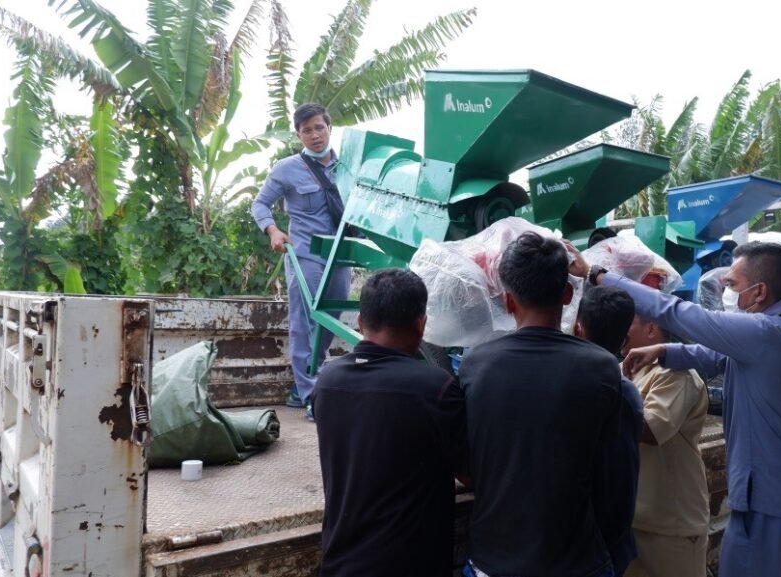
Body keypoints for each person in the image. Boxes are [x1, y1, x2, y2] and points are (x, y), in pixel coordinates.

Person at [573, 241, 781, 577]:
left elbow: (674, 311)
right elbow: (721, 358)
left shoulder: (764, 331)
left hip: (770, 500)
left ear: (760, 291)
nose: (728, 293)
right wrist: (664, 351)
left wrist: (596, 274)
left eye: (733, 286)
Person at [459, 232, 623, 577]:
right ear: (567, 294)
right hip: (578, 559)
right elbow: (613, 473)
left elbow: (468, 466)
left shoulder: (476, 366)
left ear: (507, 301)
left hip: (494, 559)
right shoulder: (602, 367)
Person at [313, 268, 466, 577]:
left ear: (359, 321)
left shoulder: (327, 382)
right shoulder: (435, 388)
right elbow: (471, 473)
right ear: (421, 324)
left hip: (339, 565)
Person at [251, 103, 351, 420]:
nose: (314, 135)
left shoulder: (348, 166)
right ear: (299, 135)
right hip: (305, 251)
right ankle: (312, 395)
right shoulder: (286, 169)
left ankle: (307, 378)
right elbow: (260, 204)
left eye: (319, 127)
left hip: (340, 253)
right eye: (306, 130)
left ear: (329, 128)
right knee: (305, 320)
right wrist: (273, 231)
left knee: (331, 317)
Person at [620, 313, 710, 577]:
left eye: (628, 322)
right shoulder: (624, 369)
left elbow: (651, 429)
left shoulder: (675, 373)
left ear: (651, 329)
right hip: (634, 517)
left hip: (672, 522)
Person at [573, 285, 643, 576]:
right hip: (606, 546)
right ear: (625, 339)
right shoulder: (624, 390)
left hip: (592, 550)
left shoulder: (599, 388)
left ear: (577, 329)